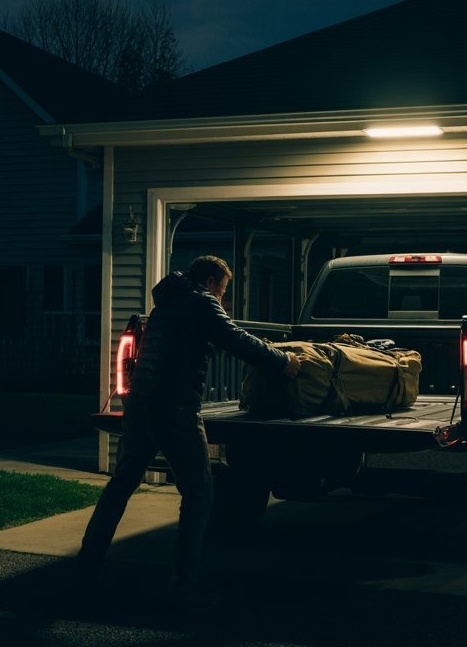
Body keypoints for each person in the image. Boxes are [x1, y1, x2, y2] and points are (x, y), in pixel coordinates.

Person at [76, 255, 301, 612]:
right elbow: (237, 340)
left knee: (120, 487)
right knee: (199, 495)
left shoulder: (166, 303)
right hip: (176, 408)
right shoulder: (201, 302)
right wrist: (282, 360)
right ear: (211, 282)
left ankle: (85, 569)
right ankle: (183, 589)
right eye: (222, 291)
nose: (222, 299)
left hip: (141, 406)